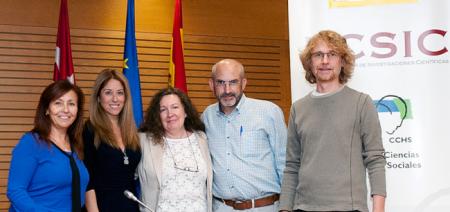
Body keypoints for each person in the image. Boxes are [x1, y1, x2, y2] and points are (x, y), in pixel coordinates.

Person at [279, 30, 386, 212]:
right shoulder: (298, 108)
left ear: (342, 61)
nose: (325, 61)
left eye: (332, 54)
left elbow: (375, 160)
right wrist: (284, 209)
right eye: (318, 55)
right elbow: (292, 166)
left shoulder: (361, 103)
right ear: (310, 62)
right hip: (303, 207)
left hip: (348, 208)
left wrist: (379, 210)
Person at [202, 59, 287, 211]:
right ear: (211, 85)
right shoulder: (206, 117)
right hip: (221, 207)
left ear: (244, 83)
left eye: (233, 82)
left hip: (264, 207)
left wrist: (287, 207)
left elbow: (285, 162)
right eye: (221, 82)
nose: (227, 89)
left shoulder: (269, 112)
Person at [7, 80, 89, 211]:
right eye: (58, 103)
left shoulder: (77, 144)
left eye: (71, 104)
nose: (66, 110)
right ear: (46, 109)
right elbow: (15, 191)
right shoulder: (31, 142)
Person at [138, 87, 213, 212]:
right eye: (163, 109)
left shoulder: (202, 138)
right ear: (157, 115)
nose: (170, 114)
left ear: (185, 111)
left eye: (175, 107)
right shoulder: (144, 141)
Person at [83, 69, 141, 212]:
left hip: (130, 207)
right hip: (101, 206)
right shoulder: (90, 130)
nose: (115, 99)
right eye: (108, 92)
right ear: (98, 97)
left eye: (120, 93)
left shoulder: (132, 131)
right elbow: (88, 180)